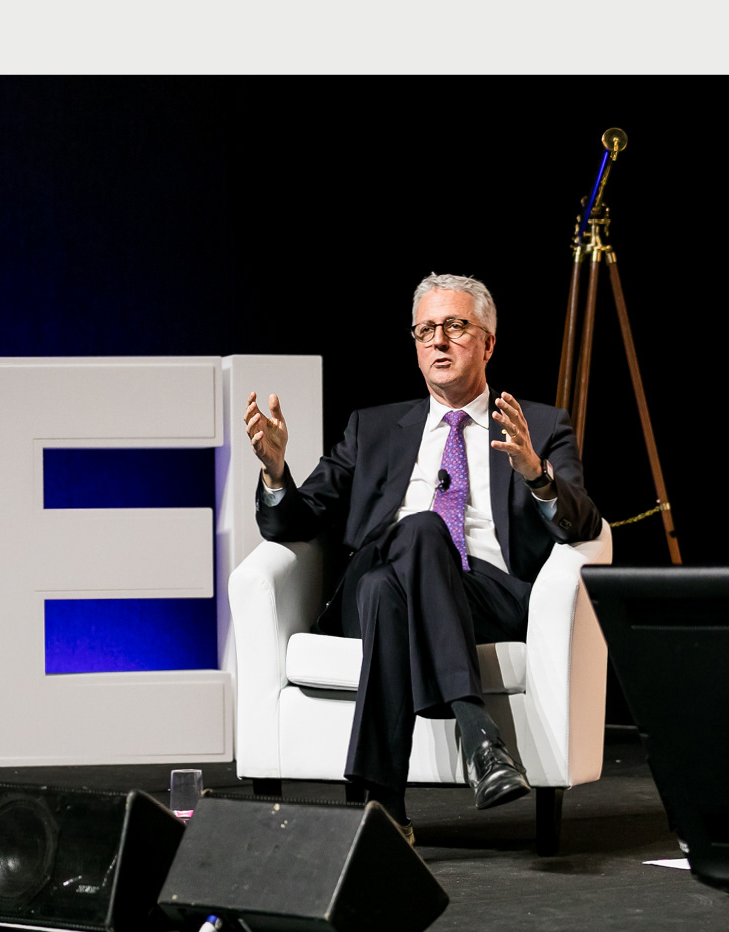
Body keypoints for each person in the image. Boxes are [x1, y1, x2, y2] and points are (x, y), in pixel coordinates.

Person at [243, 273, 601, 844]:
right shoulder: (373, 428)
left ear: (488, 343)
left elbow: (583, 524)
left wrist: (537, 474)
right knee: (419, 532)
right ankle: (477, 732)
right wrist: (275, 472)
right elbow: (294, 522)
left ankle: (380, 807)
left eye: (455, 326)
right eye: (425, 329)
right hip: (371, 584)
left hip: (485, 597)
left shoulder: (538, 426)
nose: (438, 340)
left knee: (390, 589)